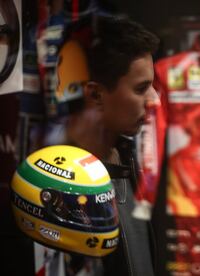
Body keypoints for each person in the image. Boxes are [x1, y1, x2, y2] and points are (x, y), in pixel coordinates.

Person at [46, 15, 160, 276]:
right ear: (96, 94)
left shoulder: (126, 154)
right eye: (142, 88)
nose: (155, 100)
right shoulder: (61, 188)